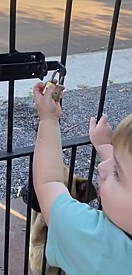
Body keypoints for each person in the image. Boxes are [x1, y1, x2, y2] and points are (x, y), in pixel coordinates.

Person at [32, 81, 132, 274]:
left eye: (117, 173)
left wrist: (48, 119)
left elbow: (48, 182)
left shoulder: (94, 242)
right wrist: (106, 148)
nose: (101, 167)